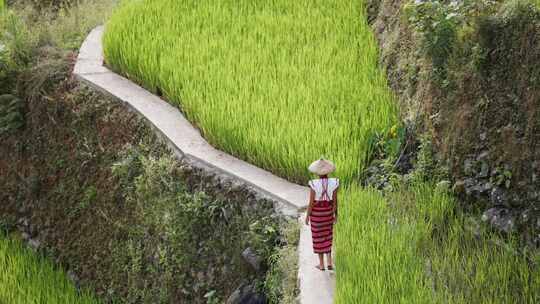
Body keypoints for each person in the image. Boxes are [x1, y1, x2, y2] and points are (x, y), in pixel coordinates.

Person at [305, 157, 339, 271]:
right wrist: (336, 215)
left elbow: (311, 203)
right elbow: (335, 201)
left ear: (317, 173)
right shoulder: (334, 183)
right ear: (328, 171)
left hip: (317, 215)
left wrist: (307, 216)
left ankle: (321, 264)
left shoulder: (314, 184)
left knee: (318, 237)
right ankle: (329, 262)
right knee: (328, 235)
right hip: (328, 213)